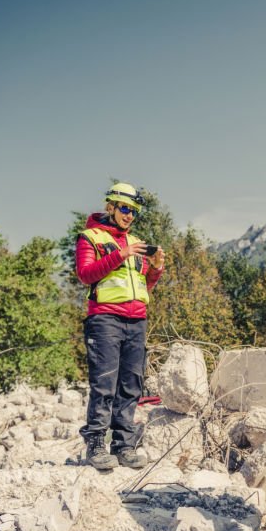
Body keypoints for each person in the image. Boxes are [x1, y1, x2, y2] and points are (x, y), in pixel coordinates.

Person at [75, 182, 165, 470]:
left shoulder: (136, 241)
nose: (129, 216)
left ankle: (124, 445)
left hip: (136, 319)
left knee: (131, 385)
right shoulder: (90, 237)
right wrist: (121, 255)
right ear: (110, 207)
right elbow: (85, 275)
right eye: (125, 209)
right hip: (105, 319)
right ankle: (96, 445)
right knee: (104, 384)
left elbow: (143, 286)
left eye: (134, 211)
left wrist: (156, 269)